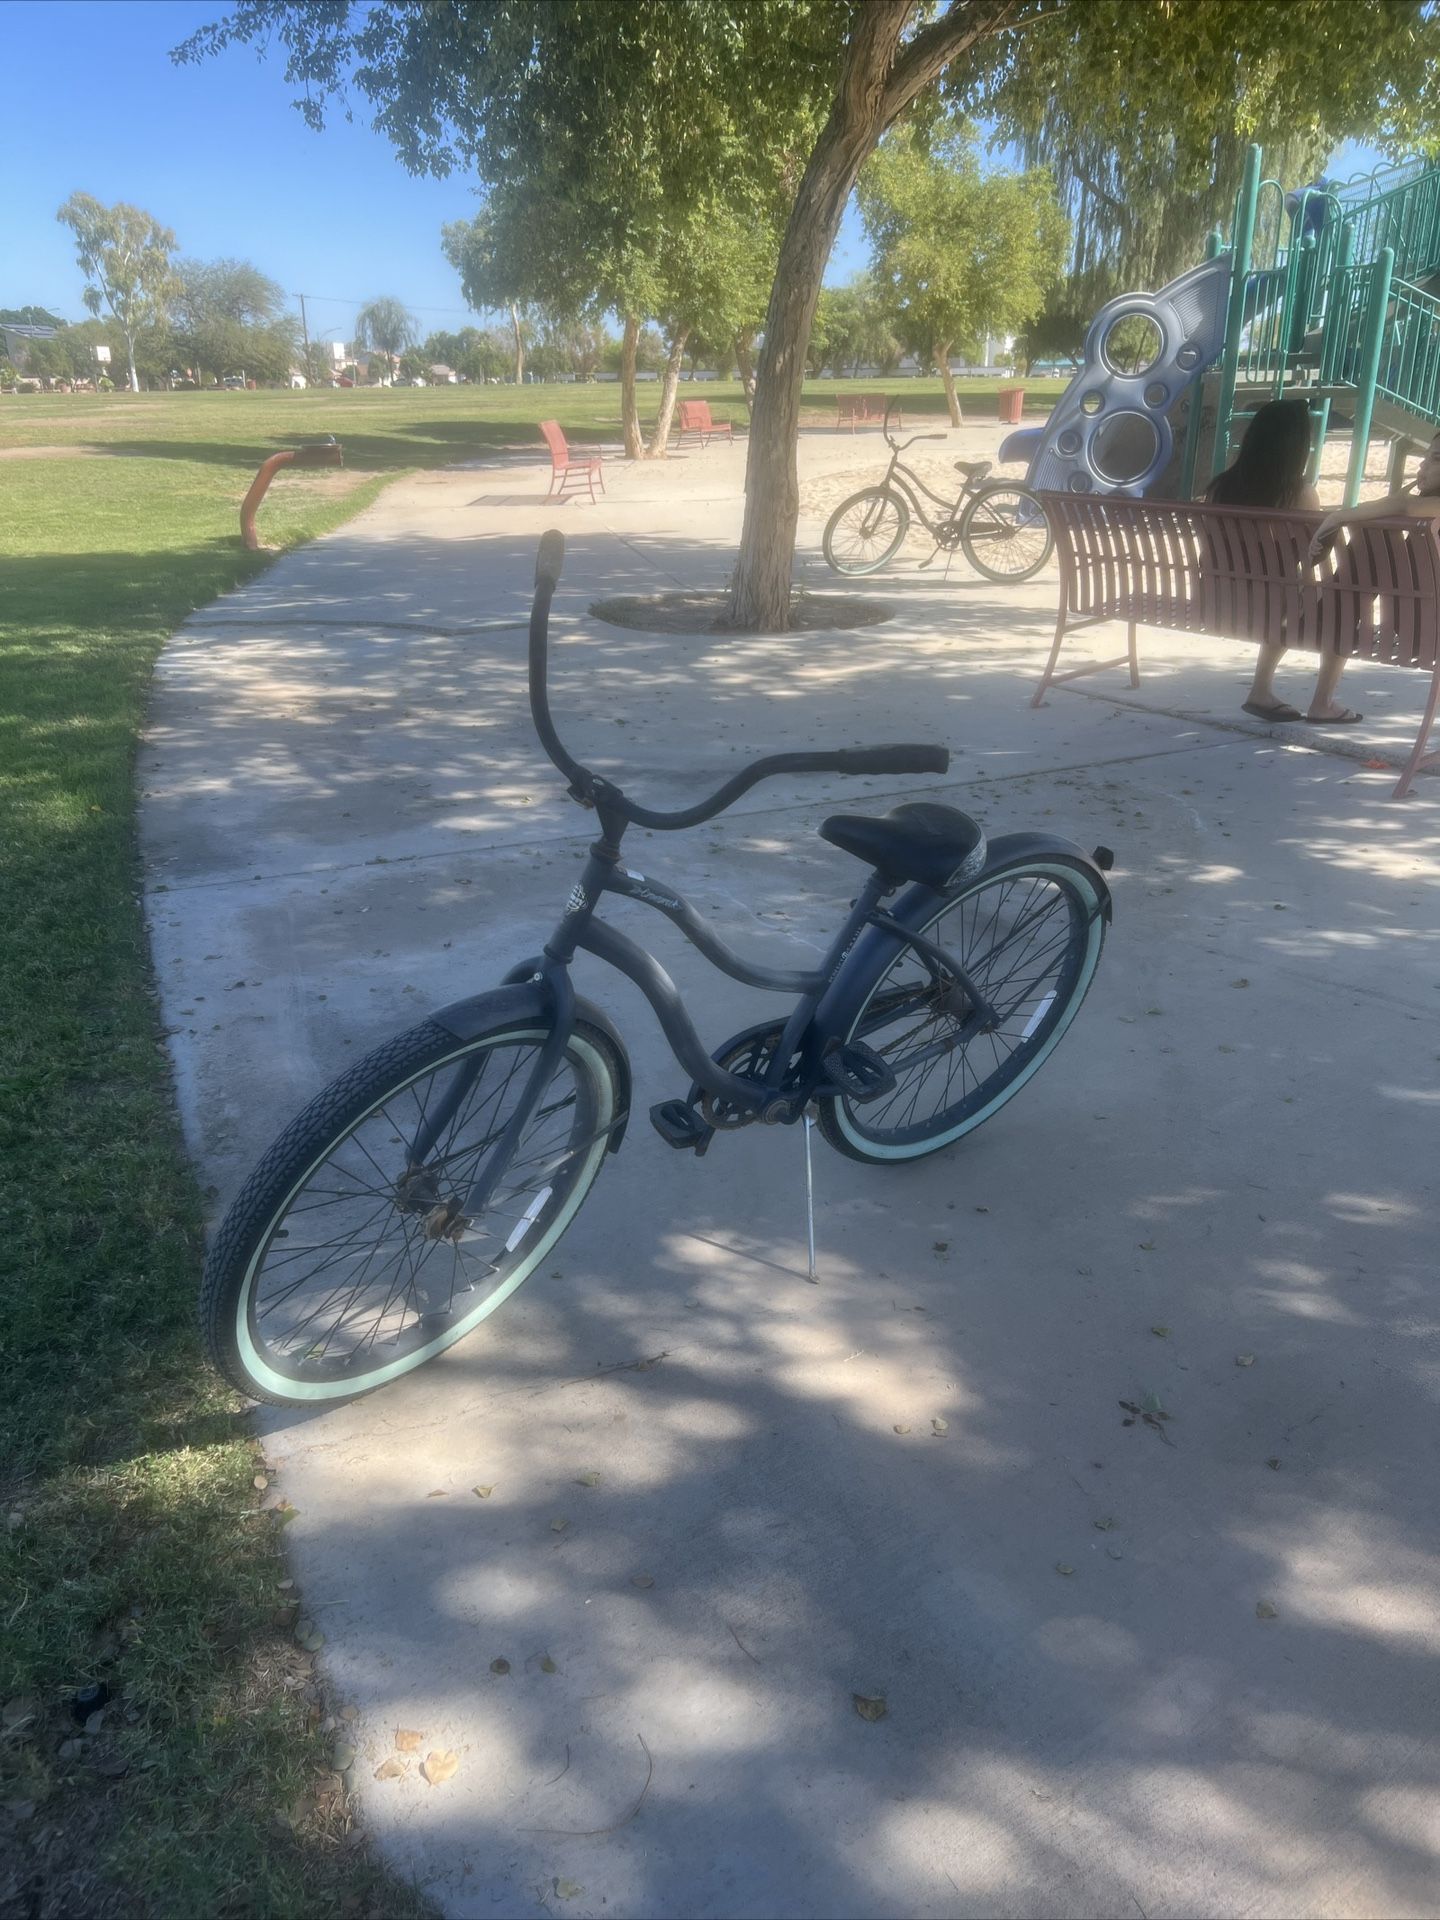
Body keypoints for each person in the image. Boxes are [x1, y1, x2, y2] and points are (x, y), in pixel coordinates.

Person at [1204, 398, 1355, 724]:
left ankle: (1261, 691)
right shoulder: (1300, 494)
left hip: (1218, 600)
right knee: (1343, 605)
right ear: (1298, 446)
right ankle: (1323, 703)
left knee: (1283, 594)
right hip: (1272, 606)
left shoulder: (1220, 487)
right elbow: (1312, 558)